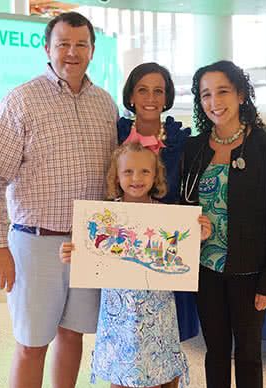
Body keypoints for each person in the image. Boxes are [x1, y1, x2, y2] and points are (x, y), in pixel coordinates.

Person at [0, 12, 118, 388]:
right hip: (35, 243)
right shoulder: (21, 100)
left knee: (74, 334)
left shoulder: (105, 104)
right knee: (32, 343)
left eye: (80, 44)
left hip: (89, 244)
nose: (72, 52)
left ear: (92, 50)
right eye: (63, 44)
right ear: (47, 48)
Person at [60, 142, 211, 388]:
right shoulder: (105, 215)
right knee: (121, 372)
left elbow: (180, 255)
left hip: (158, 310)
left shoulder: (168, 215)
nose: (136, 178)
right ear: (116, 176)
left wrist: (198, 236)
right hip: (118, 311)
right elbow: (92, 252)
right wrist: (73, 253)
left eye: (144, 172)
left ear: (156, 176)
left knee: (157, 370)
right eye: (128, 172)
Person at [180, 60, 266, 388]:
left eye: (223, 92)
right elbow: (182, 206)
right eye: (206, 95)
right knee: (214, 351)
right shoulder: (194, 148)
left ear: (241, 94)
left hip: (249, 271)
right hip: (205, 268)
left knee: (248, 353)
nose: (215, 102)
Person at [117, 62, 199, 342]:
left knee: (169, 335)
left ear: (167, 98)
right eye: (142, 90)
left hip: (166, 246)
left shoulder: (181, 140)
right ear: (131, 96)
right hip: (123, 247)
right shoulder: (114, 134)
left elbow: (190, 192)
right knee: (128, 335)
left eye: (158, 91)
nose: (150, 99)